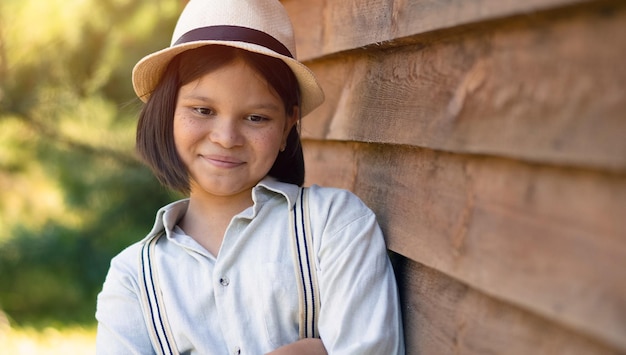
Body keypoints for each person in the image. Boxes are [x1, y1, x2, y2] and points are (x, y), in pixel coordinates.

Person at [95, 0, 404, 354]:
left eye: (256, 118)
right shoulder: (134, 278)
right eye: (203, 110)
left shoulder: (334, 225)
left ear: (288, 125)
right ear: (166, 113)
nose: (226, 138)